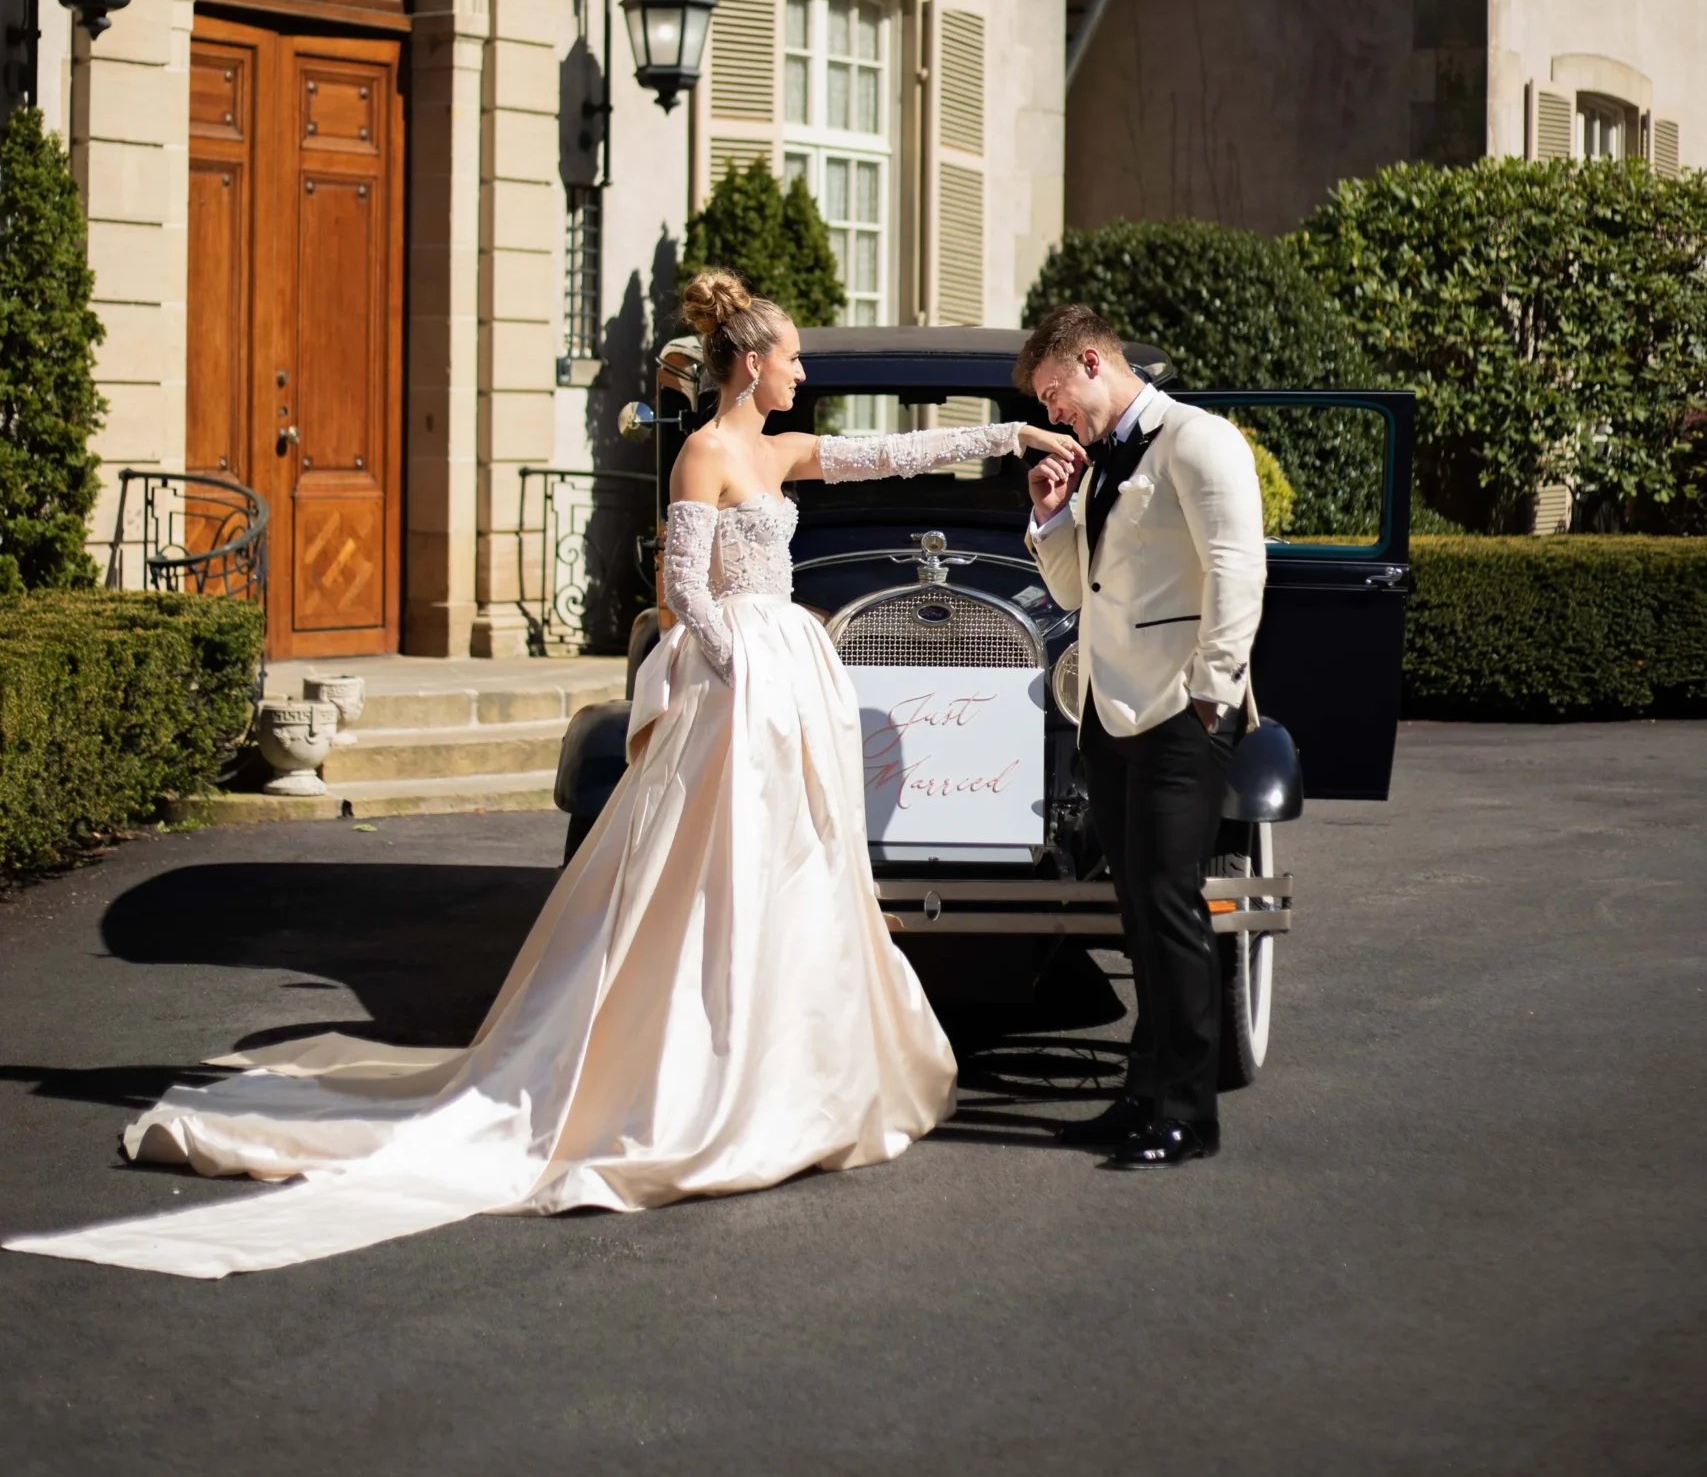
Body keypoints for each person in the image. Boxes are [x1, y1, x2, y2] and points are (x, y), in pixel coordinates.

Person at [8, 272, 1063, 1279]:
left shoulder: (781, 453)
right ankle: (695, 1082)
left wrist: (1010, 434)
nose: (798, 376)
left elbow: (890, 455)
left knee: (792, 872)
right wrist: (738, 660)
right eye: (790, 360)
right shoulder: (704, 455)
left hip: (788, 682)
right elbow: (680, 584)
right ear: (751, 365)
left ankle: (797, 1075)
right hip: (741, 682)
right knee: (707, 879)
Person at [1018, 304, 1266, 1168]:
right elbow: (1074, 592)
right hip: (1106, 714)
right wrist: (1050, 515)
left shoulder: (1199, 440)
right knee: (1136, 915)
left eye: (1055, 394)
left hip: (1177, 714)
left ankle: (1188, 1114)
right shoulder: (1094, 466)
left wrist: (1210, 695)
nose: (1053, 414)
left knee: (1170, 910)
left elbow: (1238, 567)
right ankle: (1140, 1095)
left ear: (1092, 361)